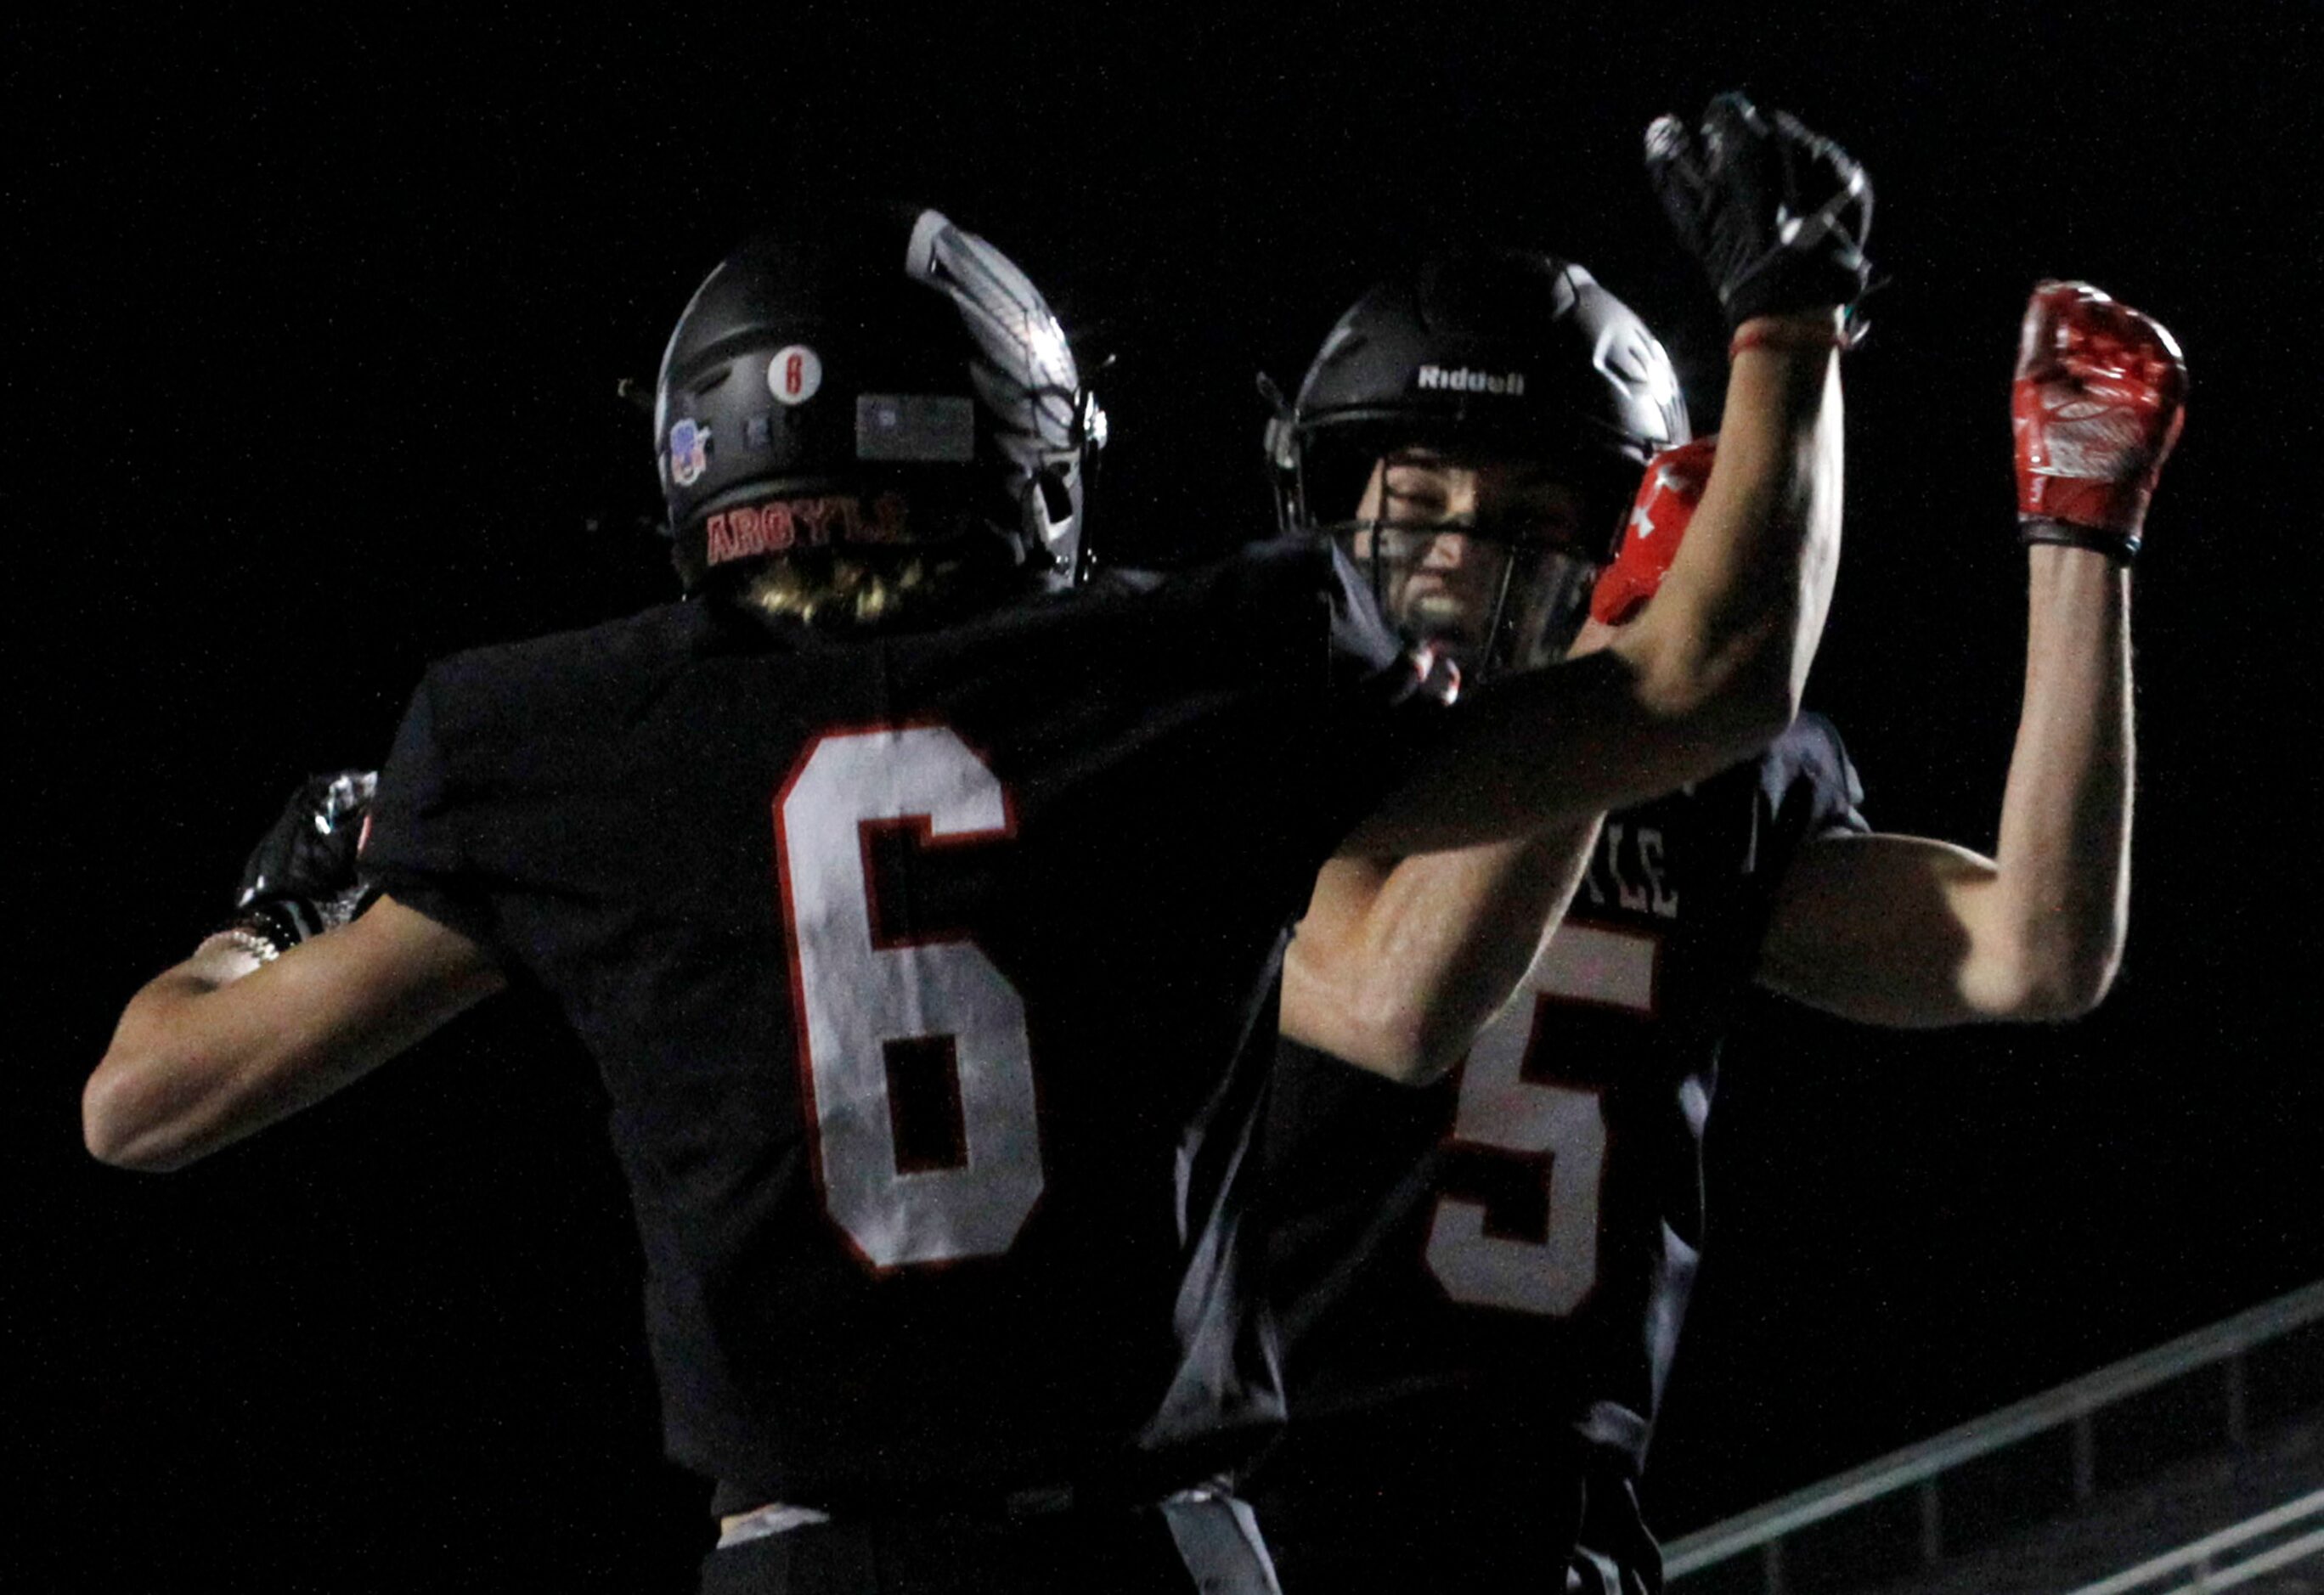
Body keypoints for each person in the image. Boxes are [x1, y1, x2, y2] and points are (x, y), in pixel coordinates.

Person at [82, 91, 1857, 1592]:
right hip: (1157, 1543)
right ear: (1027, 457)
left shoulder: (554, 747)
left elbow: (144, 1105)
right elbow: (1713, 682)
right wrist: (1784, 317)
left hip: (810, 1563)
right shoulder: (1189, 673)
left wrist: (275, 913)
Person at [1248, 114, 2181, 1595]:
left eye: (1526, 518)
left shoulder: (1707, 782)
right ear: (1336, 495)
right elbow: (1395, 1001)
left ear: (1631, 524)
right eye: (1417, 505)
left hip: (1550, 1529)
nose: (1453, 560)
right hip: (1251, 1526)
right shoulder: (1254, 734)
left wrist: (2080, 534)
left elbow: (2035, 947)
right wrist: (1631, 685)